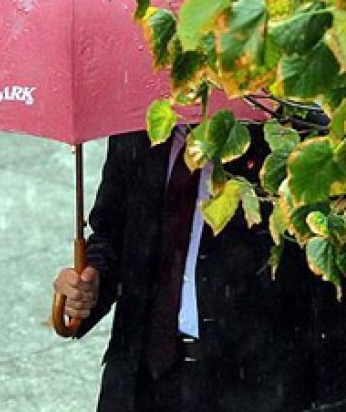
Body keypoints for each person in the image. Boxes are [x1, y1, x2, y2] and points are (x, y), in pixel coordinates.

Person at [53, 124, 346, 411]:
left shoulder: (281, 136)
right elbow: (112, 232)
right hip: (143, 379)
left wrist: (332, 394)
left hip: (251, 382)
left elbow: (324, 279)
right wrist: (90, 283)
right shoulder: (137, 129)